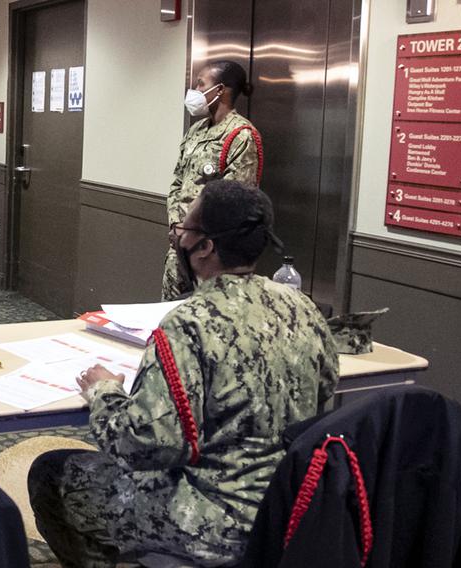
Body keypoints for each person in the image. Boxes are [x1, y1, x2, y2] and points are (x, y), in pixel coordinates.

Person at [29, 180, 339, 567]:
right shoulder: (302, 308)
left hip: (212, 522)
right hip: (292, 507)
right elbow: (326, 395)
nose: (178, 237)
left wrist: (105, 392)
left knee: (50, 472)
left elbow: (144, 446)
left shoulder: (189, 323)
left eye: (184, 229)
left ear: (205, 246)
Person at [163, 60, 262, 300]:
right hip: (179, 247)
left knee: (205, 321)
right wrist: (177, 225)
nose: (194, 91)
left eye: (200, 84)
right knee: (168, 320)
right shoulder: (196, 131)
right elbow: (178, 181)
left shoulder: (241, 135)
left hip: (211, 255)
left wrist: (195, 232)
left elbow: (233, 202)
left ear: (219, 90)